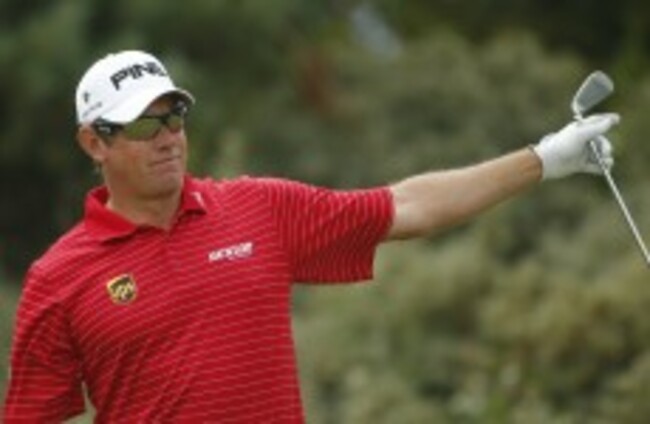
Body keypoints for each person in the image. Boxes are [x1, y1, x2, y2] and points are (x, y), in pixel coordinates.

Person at [2, 50, 619, 423]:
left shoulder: (258, 209)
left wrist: (544, 159)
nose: (167, 138)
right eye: (143, 125)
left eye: (174, 117)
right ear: (95, 142)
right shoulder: (59, 278)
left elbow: (407, 207)